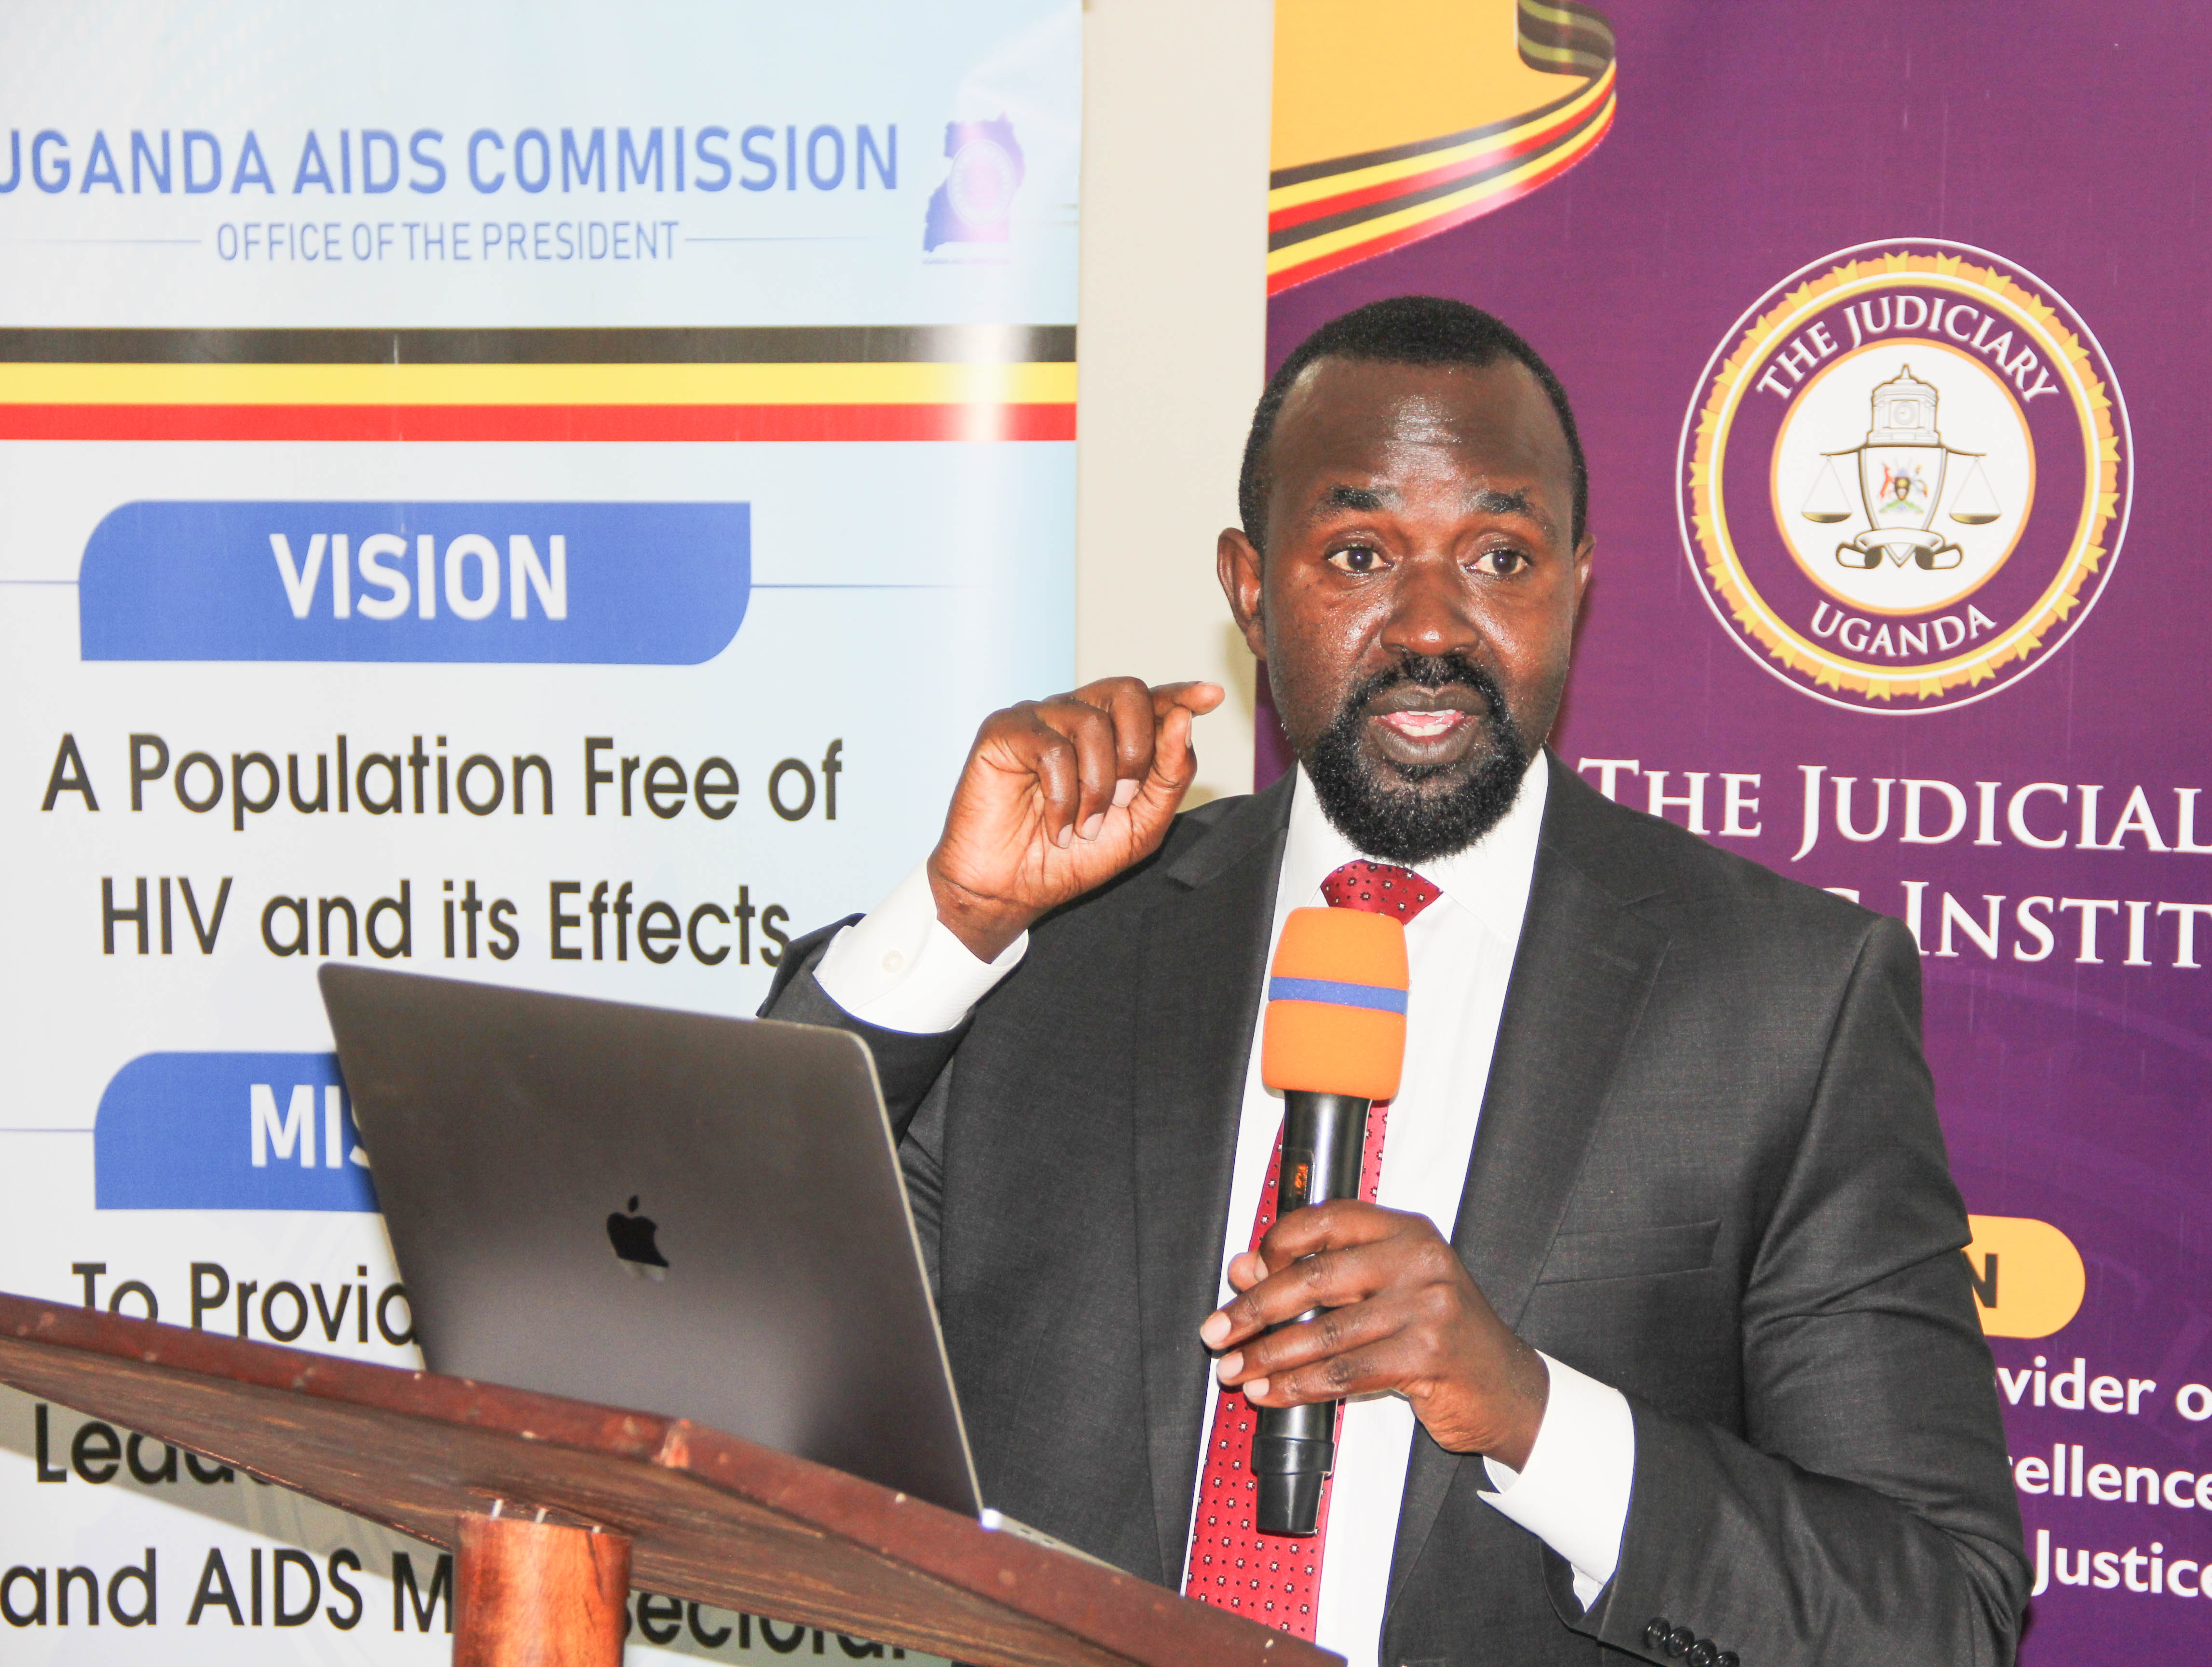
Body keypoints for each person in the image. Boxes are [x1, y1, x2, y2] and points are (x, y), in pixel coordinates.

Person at [762, 296, 2026, 1666]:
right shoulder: (1055, 950)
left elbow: (1937, 1612)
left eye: (1499, 554)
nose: (1432, 627)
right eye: (1359, 553)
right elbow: (737, 1293)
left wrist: (1533, 1412)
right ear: (1250, 587)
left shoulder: (1783, 1000)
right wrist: (956, 920)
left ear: (1577, 582)